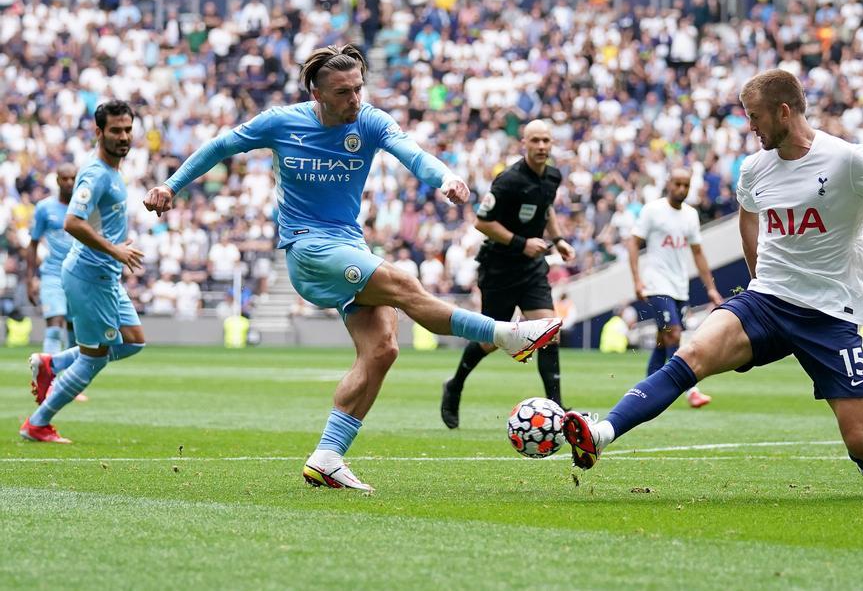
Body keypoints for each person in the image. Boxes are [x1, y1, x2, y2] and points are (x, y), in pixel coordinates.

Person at [561, 69, 863, 497]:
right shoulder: (754, 168)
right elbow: (748, 218)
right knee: (690, 353)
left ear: (784, 111)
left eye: (754, 116)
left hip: (830, 313)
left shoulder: (848, 159)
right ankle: (600, 433)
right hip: (767, 301)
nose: (749, 125)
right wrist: (757, 278)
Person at [142, 45, 561, 493]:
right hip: (307, 249)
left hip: (348, 244)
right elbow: (222, 146)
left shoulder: (370, 121)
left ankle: (327, 456)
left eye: (359, 88)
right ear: (316, 92)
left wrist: (446, 179)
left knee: (382, 349)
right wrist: (171, 185)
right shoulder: (283, 122)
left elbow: (412, 152)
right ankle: (505, 335)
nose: (355, 99)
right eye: (343, 92)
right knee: (403, 282)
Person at [22, 102, 149, 444]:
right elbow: (72, 222)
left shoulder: (113, 171)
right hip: (90, 276)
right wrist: (115, 249)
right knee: (94, 357)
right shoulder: (95, 173)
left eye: (127, 129)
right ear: (98, 132)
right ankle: (37, 423)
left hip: (105, 275)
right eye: (115, 131)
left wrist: (116, 247)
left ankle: (53, 363)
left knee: (134, 341)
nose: (123, 137)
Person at [440, 120, 576, 429]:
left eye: (546, 141)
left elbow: (547, 208)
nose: (541, 146)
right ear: (524, 144)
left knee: (549, 332)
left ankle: (556, 407)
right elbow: (482, 223)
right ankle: (455, 384)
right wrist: (522, 242)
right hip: (500, 268)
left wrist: (559, 241)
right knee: (490, 340)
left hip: (530, 269)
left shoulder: (553, 176)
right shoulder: (509, 180)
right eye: (535, 141)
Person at [629, 167, 723, 408]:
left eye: (686, 185)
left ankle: (645, 392)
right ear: (668, 183)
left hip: (680, 286)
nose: (681, 189)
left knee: (663, 340)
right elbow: (633, 242)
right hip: (657, 283)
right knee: (673, 333)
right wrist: (637, 280)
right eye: (677, 184)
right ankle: (690, 389)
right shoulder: (653, 210)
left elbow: (698, 252)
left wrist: (710, 288)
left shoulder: (691, 215)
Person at [26, 163, 77, 356]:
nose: (69, 182)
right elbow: (33, 244)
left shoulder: (86, 208)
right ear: (57, 181)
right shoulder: (45, 208)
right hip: (52, 274)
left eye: (73, 178)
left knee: (75, 331)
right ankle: (49, 379)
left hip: (78, 276)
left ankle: (70, 383)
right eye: (65, 178)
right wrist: (30, 278)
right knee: (55, 326)